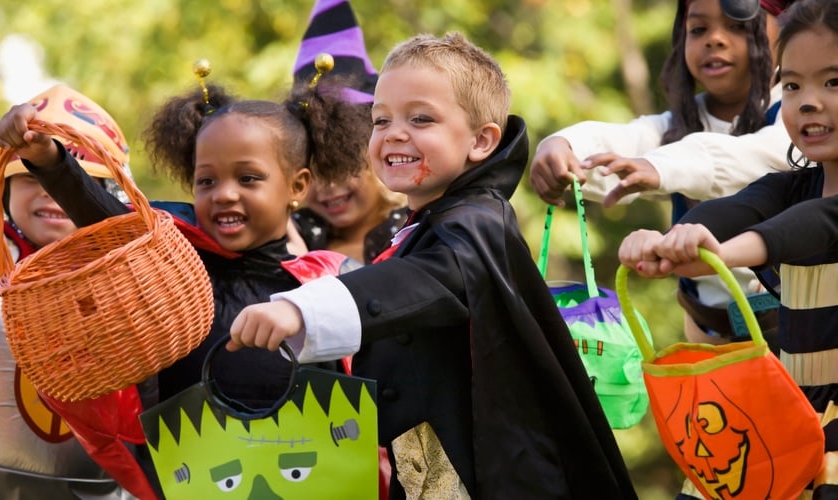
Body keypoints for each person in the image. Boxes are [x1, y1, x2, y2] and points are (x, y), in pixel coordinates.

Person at [227, 31, 637, 499]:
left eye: (421, 118)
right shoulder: (423, 225)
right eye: (380, 120)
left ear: (481, 141)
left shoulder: (478, 222)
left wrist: (301, 309)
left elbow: (429, 277)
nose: (394, 133)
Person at [0, 72, 365, 498]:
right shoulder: (173, 262)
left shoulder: (334, 284)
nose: (224, 194)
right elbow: (112, 224)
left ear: (297, 186)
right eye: (206, 181)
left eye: (248, 179)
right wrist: (49, 162)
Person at [618, 0, 838, 495]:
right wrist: (670, 242)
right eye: (794, 84)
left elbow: (809, 227)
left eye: (833, 83)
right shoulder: (787, 184)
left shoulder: (810, 211)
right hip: (786, 428)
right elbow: (735, 209)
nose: (807, 101)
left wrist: (721, 252)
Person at [533, 0, 789, 348]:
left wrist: (661, 166)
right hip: (709, 341)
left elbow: (765, 156)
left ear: (786, 31)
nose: (714, 39)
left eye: (737, 26)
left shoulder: (797, 116)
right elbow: (624, 140)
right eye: (698, 29)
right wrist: (563, 146)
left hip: (797, 334)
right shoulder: (677, 126)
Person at [0, 85, 135, 500]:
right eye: (28, 176)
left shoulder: (133, 275)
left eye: (71, 182)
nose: (49, 191)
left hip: (106, 483)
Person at [289, 0, 408, 264]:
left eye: (341, 165)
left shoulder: (413, 235)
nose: (329, 186)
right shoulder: (290, 236)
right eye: (315, 170)